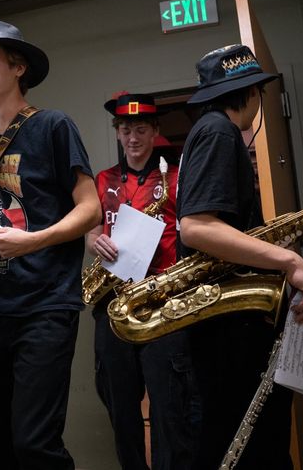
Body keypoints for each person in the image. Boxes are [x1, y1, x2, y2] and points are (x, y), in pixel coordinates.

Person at [0, 18, 101, 470]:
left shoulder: (53, 126)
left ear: (19, 68)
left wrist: (33, 242)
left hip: (45, 306)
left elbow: (89, 209)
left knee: (35, 443)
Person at [177, 44, 303, 469]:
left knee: (241, 443)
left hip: (224, 326)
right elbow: (197, 227)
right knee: (251, 447)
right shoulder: (219, 132)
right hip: (231, 330)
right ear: (252, 94)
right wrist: (290, 262)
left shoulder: (206, 131)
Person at [86, 92, 199, 470]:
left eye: (140, 129)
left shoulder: (178, 178)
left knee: (171, 406)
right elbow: (90, 232)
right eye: (125, 129)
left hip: (163, 299)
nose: (132, 137)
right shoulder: (103, 180)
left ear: (155, 131)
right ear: (117, 132)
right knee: (120, 406)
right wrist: (94, 242)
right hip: (114, 301)